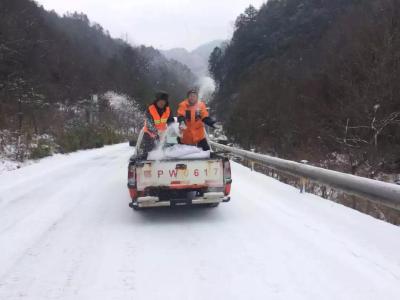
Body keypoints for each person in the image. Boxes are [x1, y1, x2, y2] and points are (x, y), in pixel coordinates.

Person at [142, 91, 174, 156]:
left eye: (164, 101)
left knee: (172, 143)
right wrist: (156, 134)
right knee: (149, 152)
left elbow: (170, 121)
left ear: (166, 102)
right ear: (157, 101)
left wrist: (173, 129)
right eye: (160, 101)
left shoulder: (168, 110)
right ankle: (147, 160)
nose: (162, 103)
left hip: (163, 133)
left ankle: (171, 156)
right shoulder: (150, 109)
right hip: (150, 133)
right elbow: (149, 124)